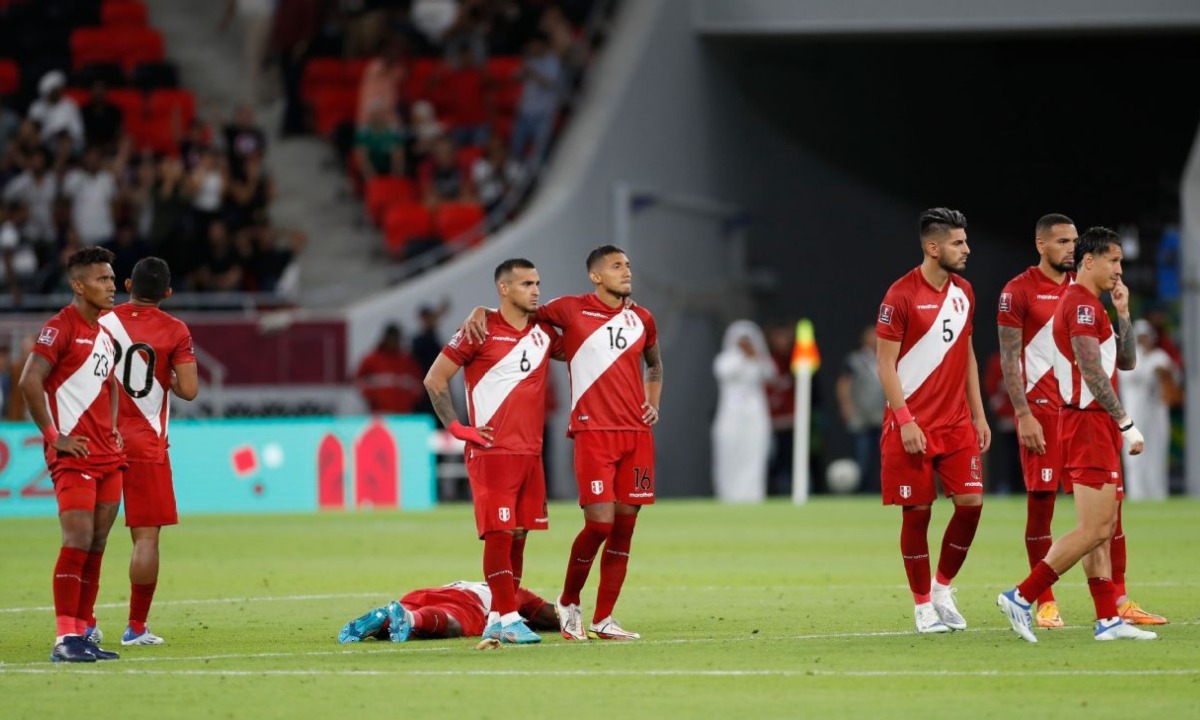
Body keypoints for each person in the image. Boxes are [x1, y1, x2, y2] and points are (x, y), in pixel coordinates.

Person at [463, 244, 663, 642]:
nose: (626, 271)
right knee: (600, 524)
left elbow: (654, 363)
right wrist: (479, 311)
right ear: (596, 276)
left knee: (625, 527)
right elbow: (517, 311)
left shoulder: (643, 317)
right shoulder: (569, 309)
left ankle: (604, 618)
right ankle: (569, 601)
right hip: (593, 433)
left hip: (636, 436)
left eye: (628, 264)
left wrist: (652, 402)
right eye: (617, 266)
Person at [997, 214, 1166, 629]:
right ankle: (1024, 596)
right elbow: (1091, 372)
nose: (1119, 271)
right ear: (1089, 262)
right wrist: (1126, 423)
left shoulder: (1093, 305)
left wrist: (1123, 313)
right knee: (1091, 527)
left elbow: (1123, 363)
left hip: (1095, 423)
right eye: (1113, 262)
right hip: (1085, 422)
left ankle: (1108, 616)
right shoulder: (1077, 305)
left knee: (1105, 524)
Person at [423, 259, 561, 644]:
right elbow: (435, 378)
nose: (535, 290)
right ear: (504, 288)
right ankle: (510, 618)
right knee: (499, 534)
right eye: (526, 284)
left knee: (518, 535)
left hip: (530, 453)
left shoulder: (544, 332)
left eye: (537, 282)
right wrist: (457, 428)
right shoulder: (477, 330)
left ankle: (501, 618)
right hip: (492, 450)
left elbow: (580, 334)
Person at [875, 207, 990, 634]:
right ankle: (923, 605)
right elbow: (885, 365)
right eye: (958, 243)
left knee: (972, 505)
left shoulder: (965, 293)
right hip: (913, 425)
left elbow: (969, 354)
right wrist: (904, 420)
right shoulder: (900, 296)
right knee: (917, 514)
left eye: (965, 241)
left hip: (957, 423)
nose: (966, 249)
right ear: (932, 247)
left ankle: (943, 588)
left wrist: (978, 414)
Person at [18, 246, 124, 663]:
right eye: (102, 279)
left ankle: (84, 632)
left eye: (112, 279)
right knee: (77, 539)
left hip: (107, 455)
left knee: (97, 544)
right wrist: (53, 435)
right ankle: (65, 638)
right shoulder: (59, 327)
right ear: (78, 286)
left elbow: (111, 383)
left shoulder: (105, 334)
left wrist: (114, 425)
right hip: (74, 454)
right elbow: (30, 380)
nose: (112, 285)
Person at [93, 257, 198, 646]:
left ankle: (82, 622)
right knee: (146, 540)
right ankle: (136, 627)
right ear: (167, 293)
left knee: (89, 537)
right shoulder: (175, 330)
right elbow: (188, 390)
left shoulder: (102, 322)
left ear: (125, 284)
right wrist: (166, 374)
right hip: (147, 443)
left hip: (101, 438)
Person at [338, 581, 559, 644]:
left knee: (415, 629)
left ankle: (385, 619)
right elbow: (554, 616)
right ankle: (408, 617)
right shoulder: (515, 591)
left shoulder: (474, 582)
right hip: (466, 604)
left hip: (425, 593)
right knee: (454, 626)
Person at [711, 319, 774, 503]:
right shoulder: (726, 359)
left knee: (754, 453)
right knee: (730, 454)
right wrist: (742, 355)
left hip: (755, 414)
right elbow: (724, 371)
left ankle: (753, 494)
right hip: (731, 414)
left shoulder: (759, 360)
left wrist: (756, 356)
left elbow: (770, 374)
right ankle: (728, 494)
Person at [1119, 319, 1179, 500]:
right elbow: (1132, 375)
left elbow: (1171, 377)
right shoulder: (1127, 356)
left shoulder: (1159, 355)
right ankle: (1137, 496)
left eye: (1146, 336)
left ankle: (1158, 496)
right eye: (1139, 336)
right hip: (1132, 416)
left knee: (1156, 456)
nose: (1143, 340)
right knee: (1134, 458)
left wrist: (1163, 372)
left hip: (1156, 416)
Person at [836, 326, 885, 494]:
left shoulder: (886, 357)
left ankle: (882, 489)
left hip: (882, 414)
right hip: (861, 415)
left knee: (884, 456)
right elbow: (844, 383)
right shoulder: (855, 359)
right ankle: (861, 490)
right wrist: (845, 403)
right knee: (862, 456)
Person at [354, 323, 425, 414]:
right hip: (379, 413)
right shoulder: (371, 359)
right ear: (385, 339)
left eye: (397, 339)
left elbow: (419, 384)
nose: (394, 342)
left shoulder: (407, 360)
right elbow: (358, 381)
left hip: (404, 414)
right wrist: (373, 396)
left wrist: (409, 400)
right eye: (392, 339)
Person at [764, 323, 795, 496]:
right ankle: (774, 493)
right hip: (772, 421)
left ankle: (789, 492)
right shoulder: (769, 361)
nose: (782, 341)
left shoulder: (793, 360)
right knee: (773, 461)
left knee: (791, 460)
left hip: (791, 420)